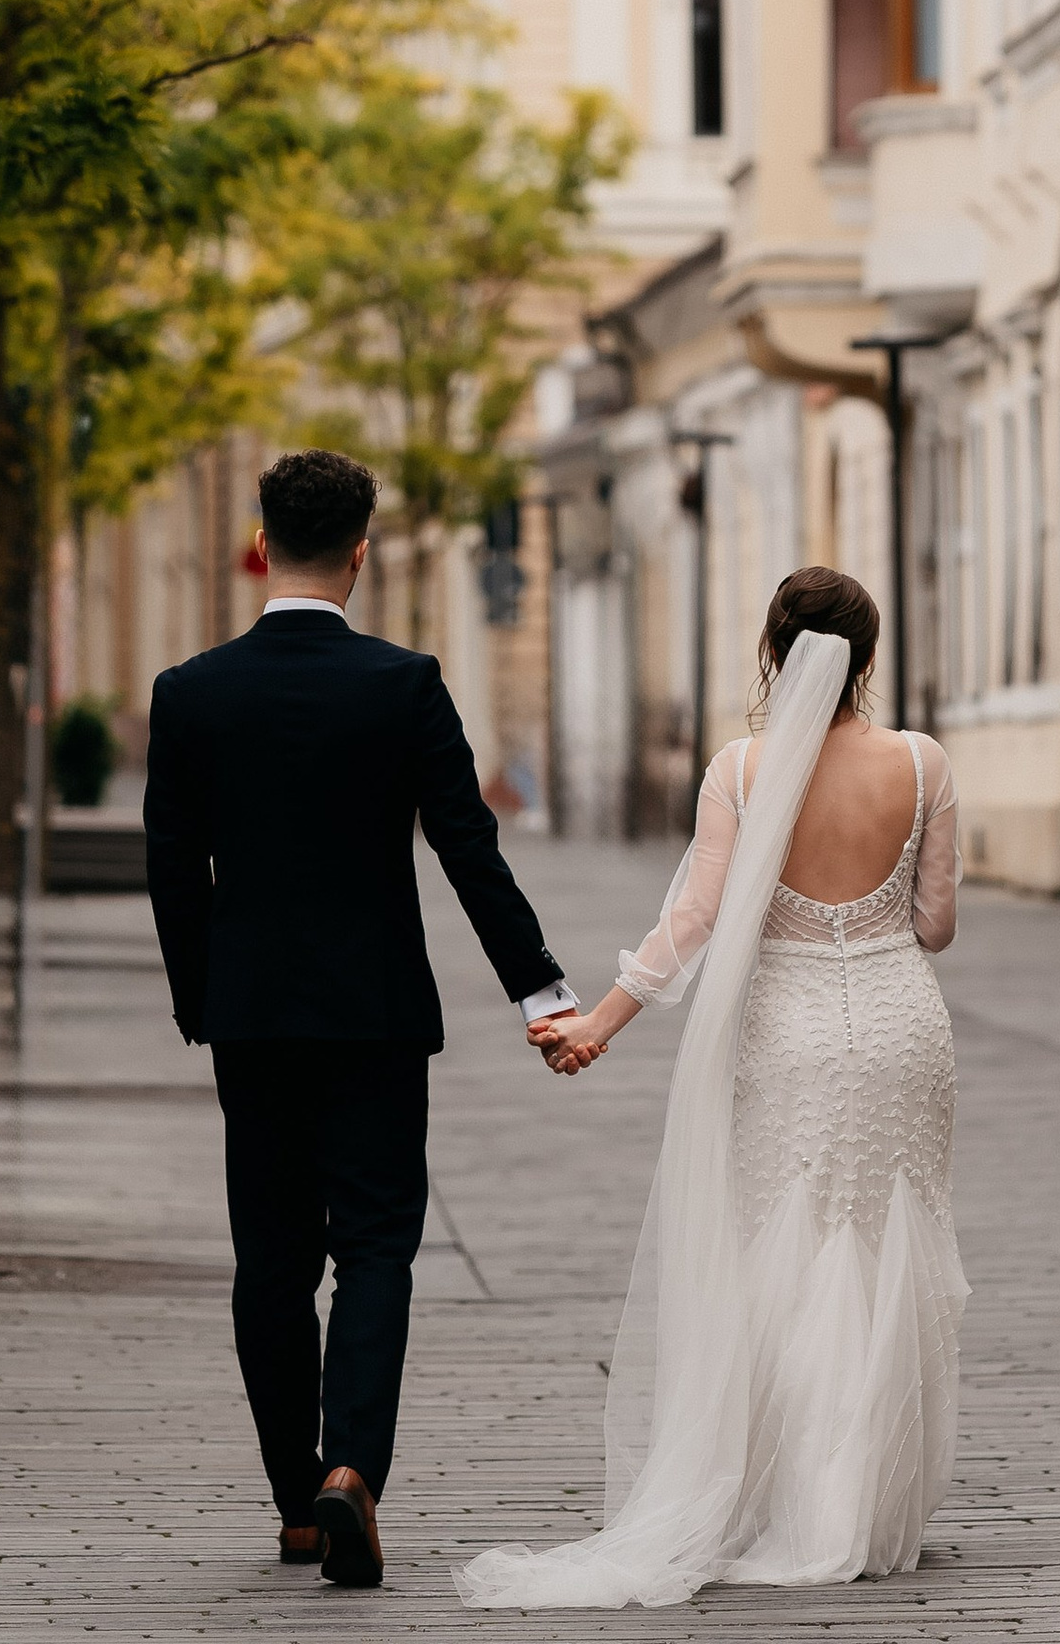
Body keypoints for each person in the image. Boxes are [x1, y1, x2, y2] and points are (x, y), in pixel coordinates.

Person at [456, 566, 967, 1608]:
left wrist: (597, 1021)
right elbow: (936, 924)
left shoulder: (740, 768)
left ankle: (792, 1499)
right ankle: (867, 1505)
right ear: (867, 658)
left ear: (774, 651)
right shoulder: (923, 764)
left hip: (787, 1033)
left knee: (785, 1240)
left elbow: (692, 920)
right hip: (902, 1024)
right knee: (887, 1240)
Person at [143, 446, 581, 1590]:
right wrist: (538, 989)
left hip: (251, 1018)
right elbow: (466, 847)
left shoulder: (191, 692)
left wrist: (205, 998)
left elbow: (170, 870)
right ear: (360, 552)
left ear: (259, 543)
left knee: (271, 1257)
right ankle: (354, 1473)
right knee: (378, 1244)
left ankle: (297, 1501)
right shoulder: (403, 683)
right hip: (378, 1014)